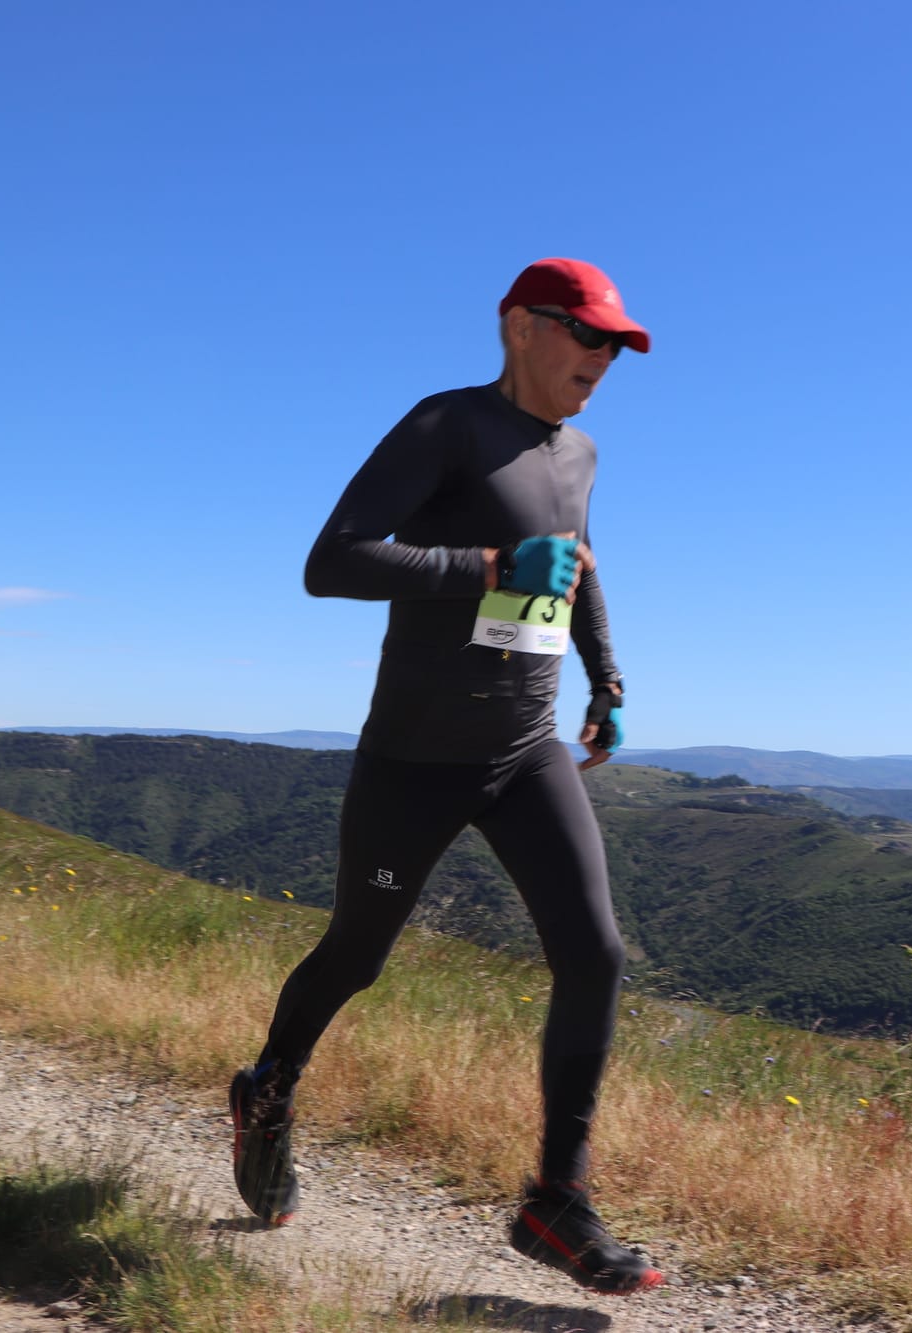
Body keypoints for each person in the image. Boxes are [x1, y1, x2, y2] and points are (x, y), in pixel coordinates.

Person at [229, 257, 661, 1296]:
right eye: (586, 334)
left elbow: (577, 560)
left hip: (525, 750)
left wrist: (605, 677)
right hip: (416, 762)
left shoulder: (581, 451)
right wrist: (488, 567)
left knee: (595, 954)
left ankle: (556, 1199)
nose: (603, 358)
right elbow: (333, 561)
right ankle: (268, 1090)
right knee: (357, 954)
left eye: (616, 345)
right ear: (521, 325)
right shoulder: (446, 426)